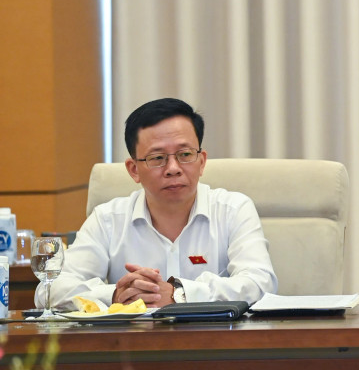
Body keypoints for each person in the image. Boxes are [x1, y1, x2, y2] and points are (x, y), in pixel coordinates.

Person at [36, 98, 278, 310]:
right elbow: (48, 291)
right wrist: (115, 295)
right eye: (158, 158)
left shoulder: (233, 210)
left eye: (184, 155)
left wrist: (179, 294)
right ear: (134, 170)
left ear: (201, 161)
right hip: (131, 352)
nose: (173, 169)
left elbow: (261, 284)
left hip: (217, 348)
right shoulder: (108, 219)